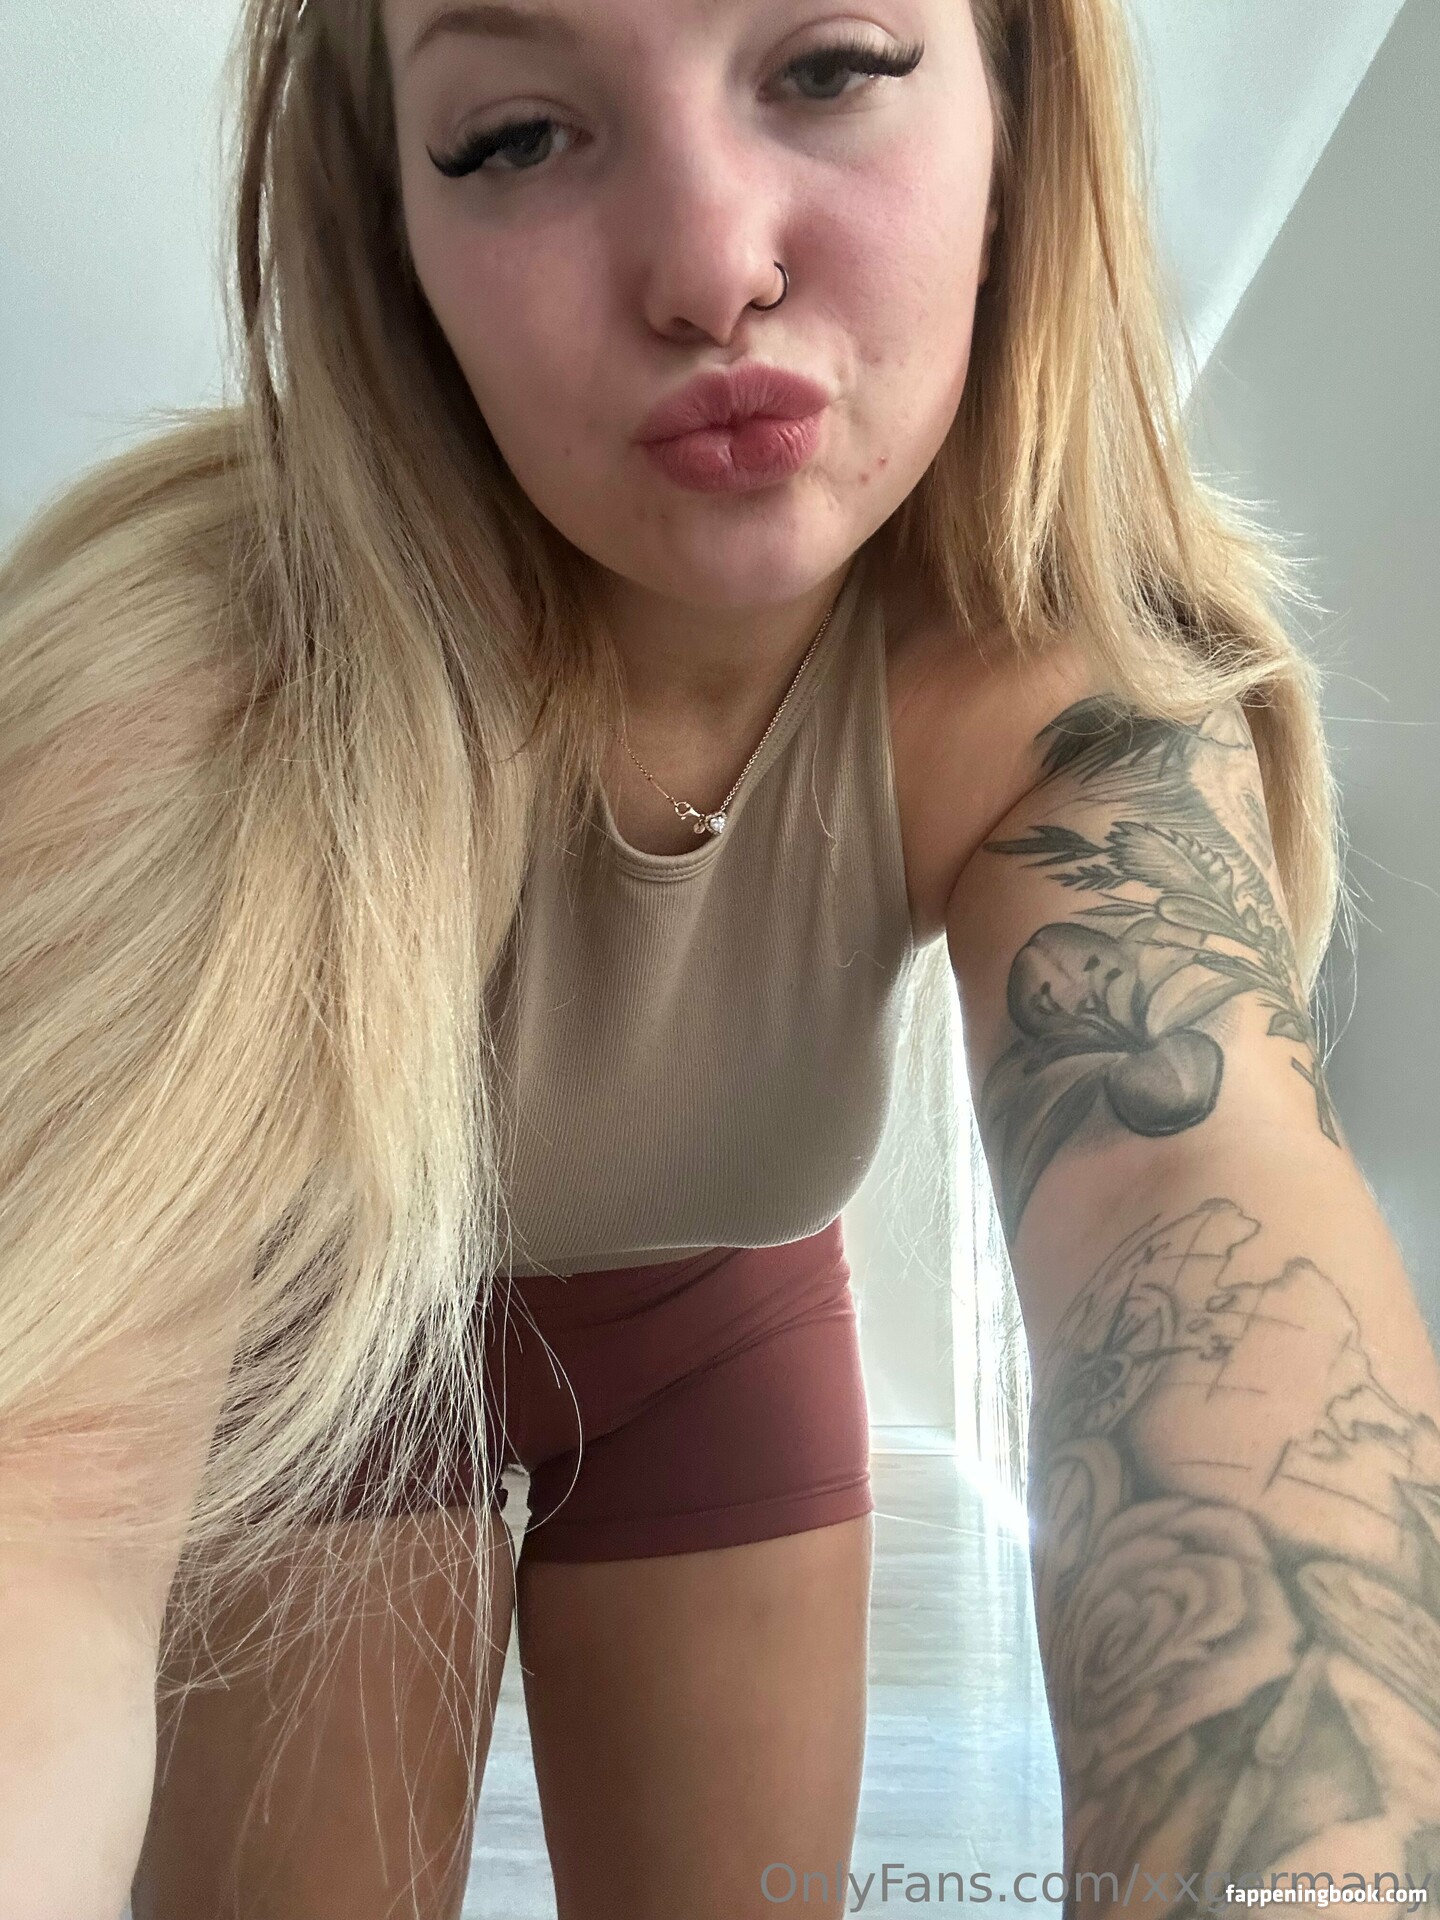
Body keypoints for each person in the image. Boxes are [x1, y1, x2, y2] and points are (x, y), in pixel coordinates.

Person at [1, 0, 1436, 1916]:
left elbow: (1210, 1216)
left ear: (1022, 107)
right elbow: (42, 1483)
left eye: (829, 67)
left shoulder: (1076, 700)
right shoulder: (190, 679)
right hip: (322, 1357)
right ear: (387, 224)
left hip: (724, 1330)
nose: (708, 266)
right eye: (514, 137)